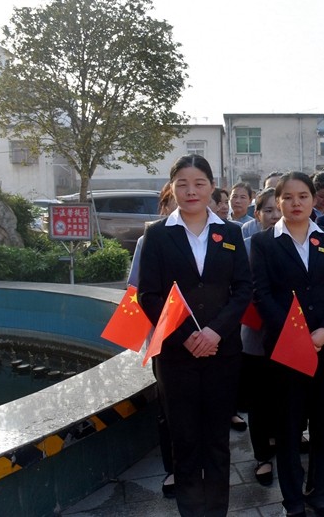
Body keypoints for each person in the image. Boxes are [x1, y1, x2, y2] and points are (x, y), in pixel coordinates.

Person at [138, 154, 251, 516]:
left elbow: (243, 289)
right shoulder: (157, 234)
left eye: (199, 183)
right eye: (182, 184)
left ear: (212, 186)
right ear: (171, 188)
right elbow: (149, 295)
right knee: (184, 441)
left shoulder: (230, 233)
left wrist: (215, 332)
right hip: (175, 356)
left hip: (222, 353)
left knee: (217, 440)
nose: (191, 191)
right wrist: (187, 335)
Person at [250, 171, 324, 517]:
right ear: (277, 201)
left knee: (322, 425)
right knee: (288, 427)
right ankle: (292, 499)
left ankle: (318, 493)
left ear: (313, 199)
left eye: (303, 196)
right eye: (288, 197)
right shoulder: (264, 243)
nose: (296, 203)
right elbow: (261, 294)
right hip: (285, 350)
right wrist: (295, 336)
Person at [127, 182, 177, 498]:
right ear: (164, 206)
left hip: (205, 337)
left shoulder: (214, 237)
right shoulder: (149, 240)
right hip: (164, 337)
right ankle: (174, 468)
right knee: (168, 406)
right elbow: (136, 288)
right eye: (173, 201)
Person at [240, 188, 281, 486]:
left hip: (288, 334)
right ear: (257, 215)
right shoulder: (245, 246)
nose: (275, 216)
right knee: (258, 399)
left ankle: (285, 438)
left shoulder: (294, 243)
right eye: (268, 210)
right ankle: (262, 456)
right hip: (255, 333)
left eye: (278, 209)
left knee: (284, 394)